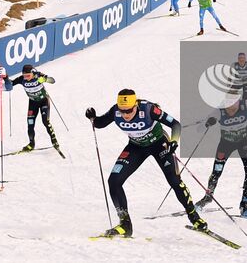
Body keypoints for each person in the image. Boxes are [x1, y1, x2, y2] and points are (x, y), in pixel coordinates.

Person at [87, 89, 206, 237]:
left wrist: (174, 142)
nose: (125, 114)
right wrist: (92, 117)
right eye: (122, 110)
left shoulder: (149, 109)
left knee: (174, 180)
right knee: (114, 181)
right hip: (136, 146)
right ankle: (125, 225)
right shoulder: (116, 111)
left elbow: (176, 124)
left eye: (129, 110)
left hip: (159, 144)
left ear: (135, 105)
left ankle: (195, 218)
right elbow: (100, 123)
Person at [201, 98, 247, 217]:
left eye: (234, 101)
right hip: (226, 144)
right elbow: (209, 120)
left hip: (245, 143)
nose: (231, 106)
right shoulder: (219, 110)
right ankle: (208, 197)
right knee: (216, 171)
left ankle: (245, 204)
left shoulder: (245, 104)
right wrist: (209, 122)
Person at [6, 63, 58, 152]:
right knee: (30, 124)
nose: (26, 78)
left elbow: (53, 80)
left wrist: (45, 79)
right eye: (24, 76)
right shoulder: (22, 79)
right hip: (33, 103)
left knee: (45, 121)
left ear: (33, 73)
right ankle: (31, 144)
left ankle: (54, 140)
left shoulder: (38, 75)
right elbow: (10, 84)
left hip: (43, 101)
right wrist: (5, 78)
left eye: (28, 75)